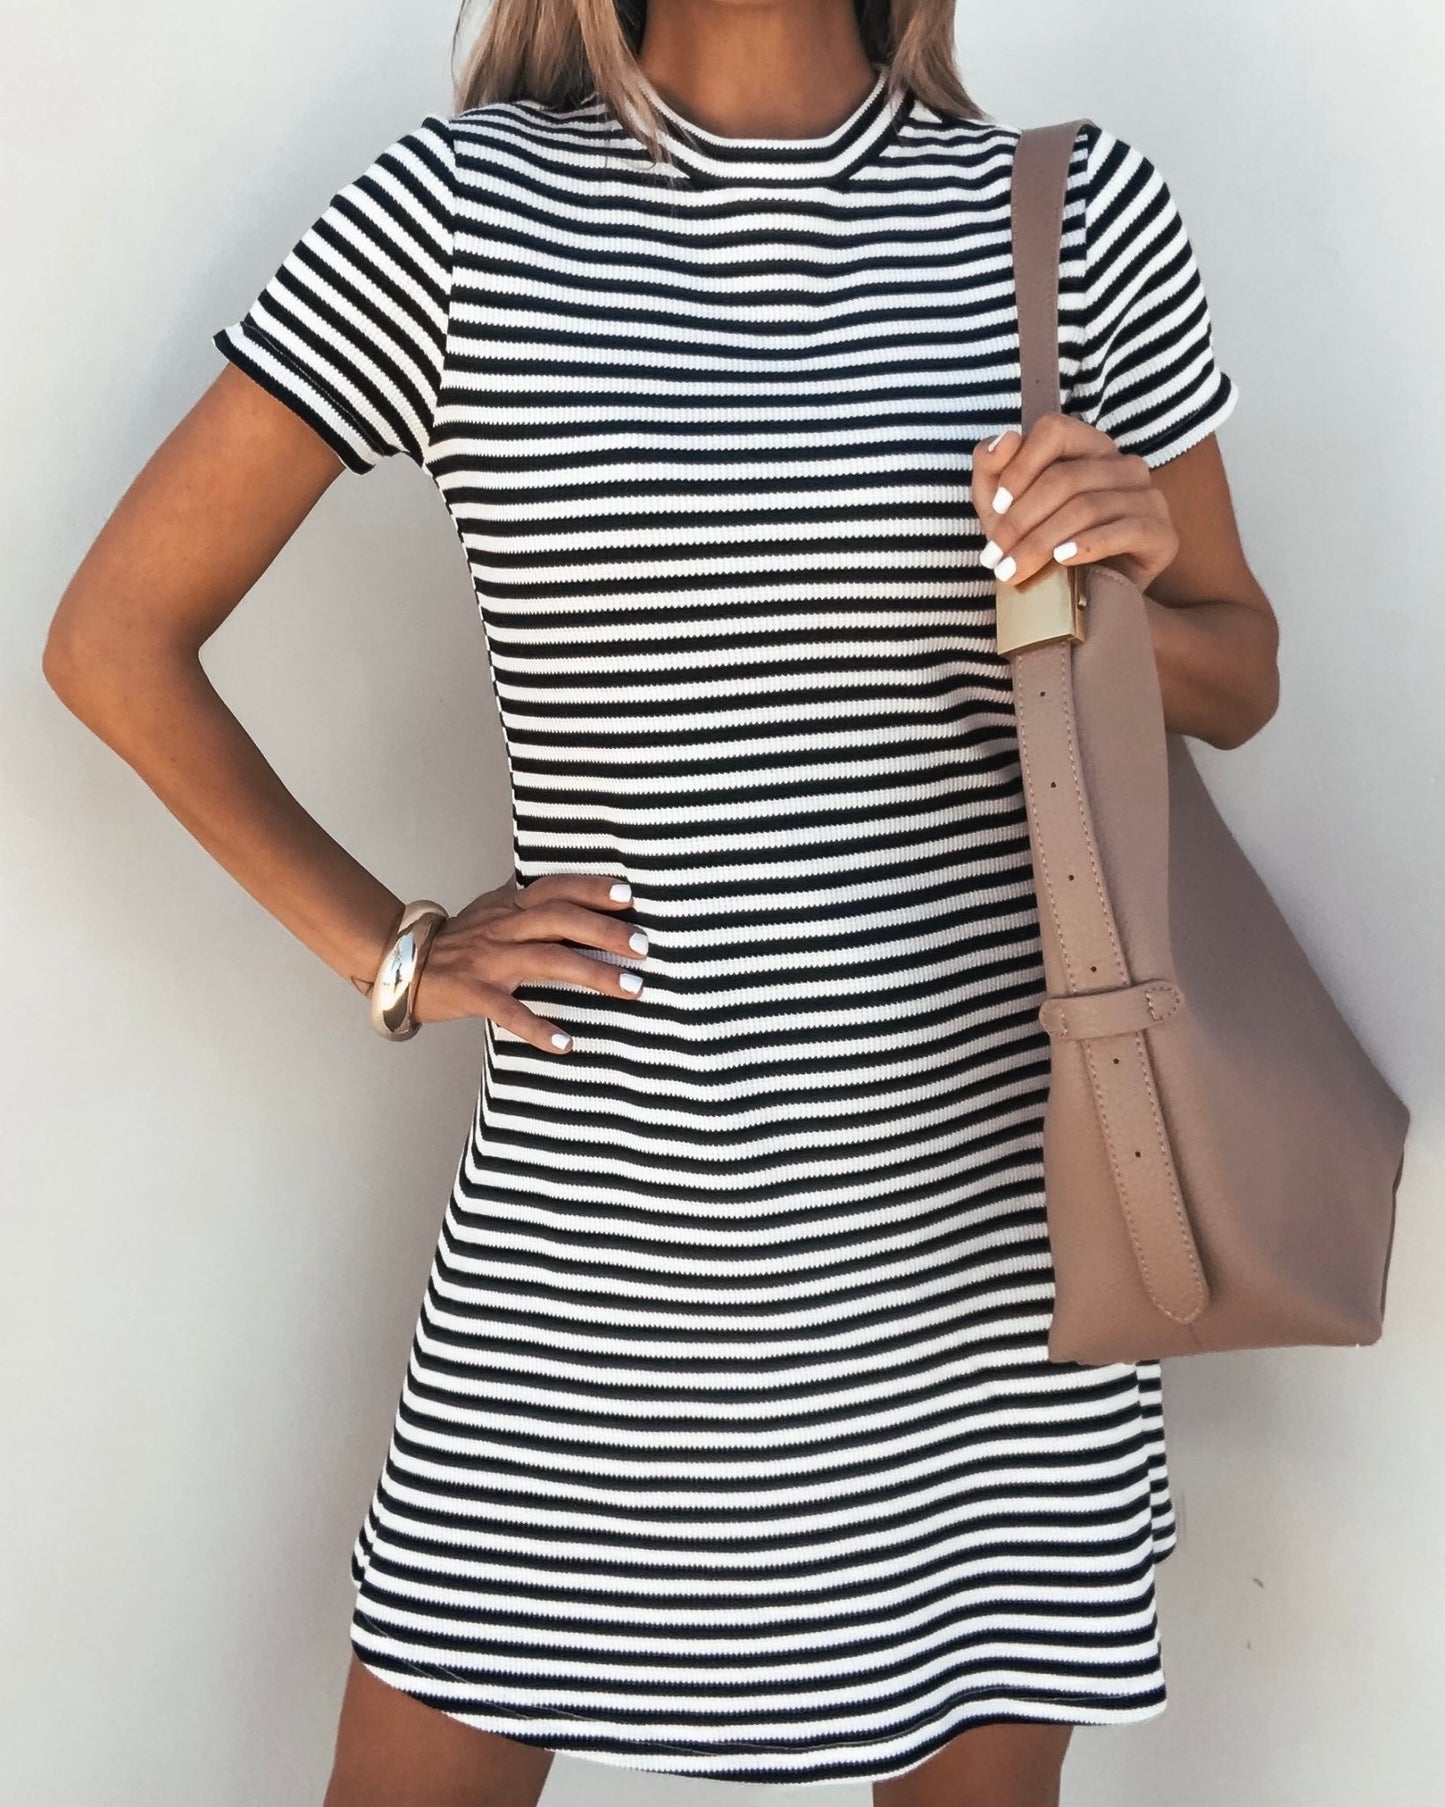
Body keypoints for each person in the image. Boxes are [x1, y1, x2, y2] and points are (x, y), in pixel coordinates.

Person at [42, 0, 1279, 1801]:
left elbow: (1235, 675)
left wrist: (1121, 580)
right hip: (596, 1240)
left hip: (993, 1236)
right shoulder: (459, 218)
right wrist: (392, 951)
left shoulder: (1063, 219)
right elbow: (111, 640)